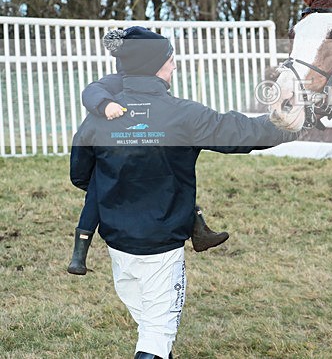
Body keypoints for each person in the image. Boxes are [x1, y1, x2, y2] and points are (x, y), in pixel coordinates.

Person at [70, 26, 296, 359]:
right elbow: (245, 133)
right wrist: (295, 120)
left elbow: (80, 176)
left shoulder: (97, 119)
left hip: (118, 244)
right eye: (170, 60)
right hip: (162, 248)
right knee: (156, 335)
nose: (174, 65)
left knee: (151, 328)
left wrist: (124, 189)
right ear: (155, 66)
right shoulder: (184, 115)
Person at [68, 29, 228, 276]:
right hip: (115, 155)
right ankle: (79, 254)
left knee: (166, 170)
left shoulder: (143, 83)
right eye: (170, 60)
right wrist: (105, 105)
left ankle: (199, 229)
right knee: (103, 183)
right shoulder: (118, 82)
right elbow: (91, 91)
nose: (174, 67)